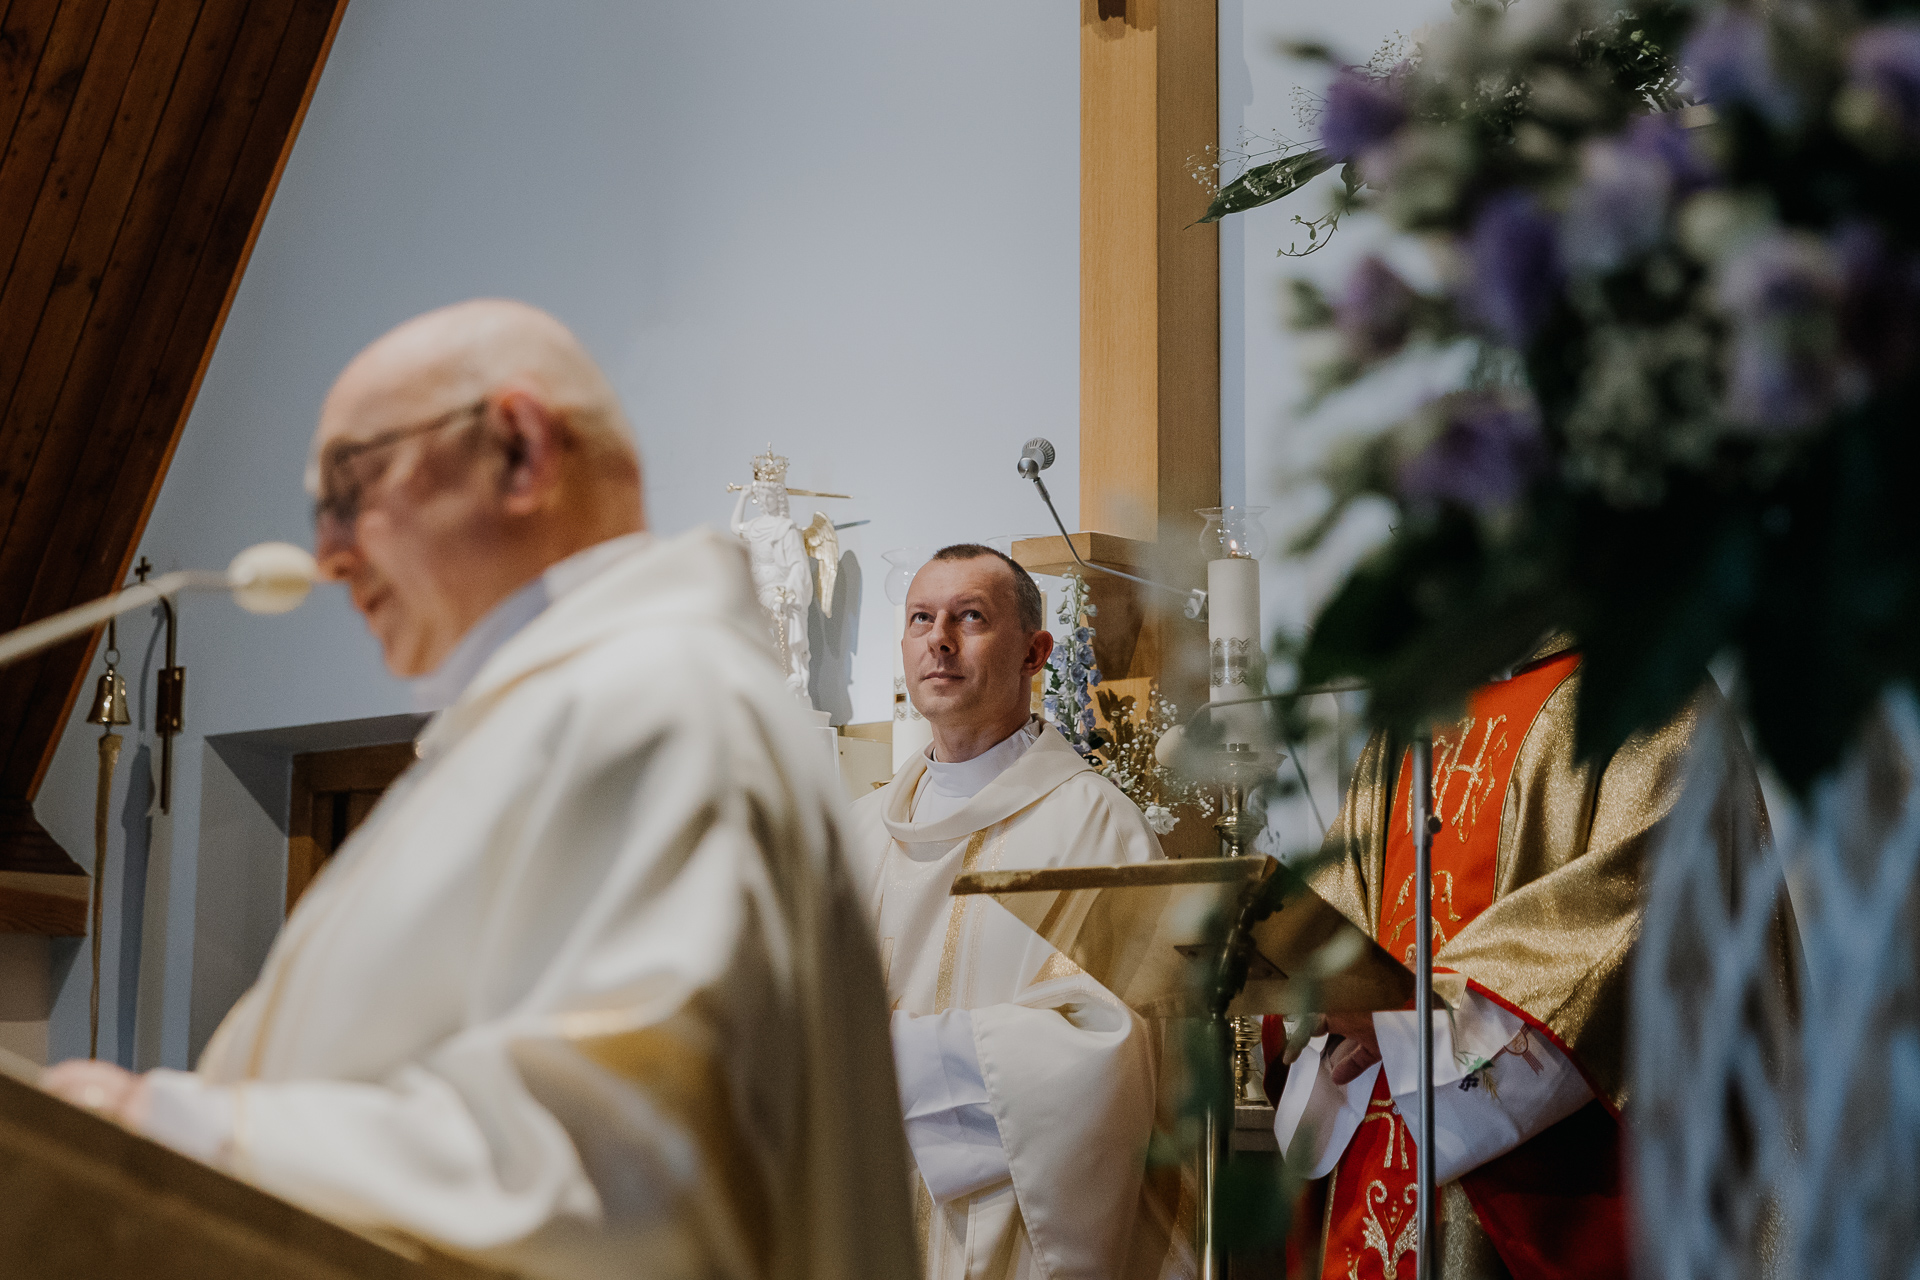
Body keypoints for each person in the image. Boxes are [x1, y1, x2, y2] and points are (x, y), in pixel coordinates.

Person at [43, 299, 918, 1280]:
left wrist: (166, 1126)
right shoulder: (554, 722)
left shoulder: (659, 705)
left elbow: (615, 1177)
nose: (328, 553)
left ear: (520, 448)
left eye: (350, 485)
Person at [1272, 636, 1792, 1280]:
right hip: (1377, 1145)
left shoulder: (1651, 691)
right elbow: (1339, 904)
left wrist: (1416, 1024)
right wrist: (1305, 982)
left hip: (1547, 1189)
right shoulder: (1412, 715)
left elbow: (1634, 925)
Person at [846, 543, 1184, 1280]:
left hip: (1010, 1243)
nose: (939, 639)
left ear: (1035, 653)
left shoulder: (1095, 826)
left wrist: (896, 1058)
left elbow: (1114, 1045)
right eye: (920, 619)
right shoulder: (857, 832)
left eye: (970, 617)